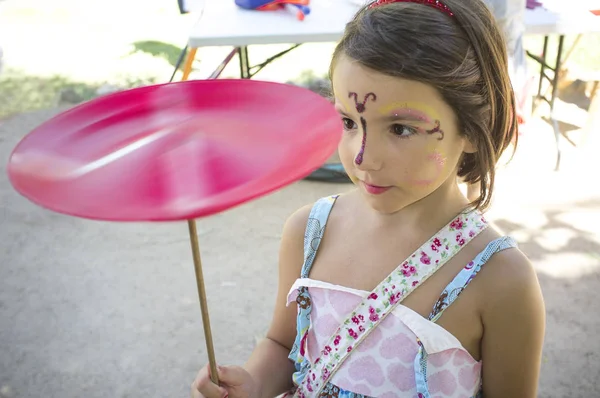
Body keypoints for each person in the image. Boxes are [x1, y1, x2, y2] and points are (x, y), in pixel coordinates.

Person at [191, 0, 546, 396]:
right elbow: (283, 344)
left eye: (401, 129)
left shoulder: (500, 279)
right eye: (348, 121)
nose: (363, 158)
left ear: (471, 129)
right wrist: (253, 383)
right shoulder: (308, 233)